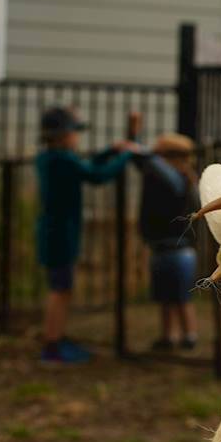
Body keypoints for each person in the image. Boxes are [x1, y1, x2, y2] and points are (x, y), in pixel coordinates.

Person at [34, 105, 137, 366]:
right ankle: (52, 346)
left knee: (62, 288)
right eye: (74, 131)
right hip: (60, 236)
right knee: (60, 290)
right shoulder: (63, 159)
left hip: (54, 233)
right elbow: (97, 175)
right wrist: (125, 156)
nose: (77, 137)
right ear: (61, 134)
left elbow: (86, 166)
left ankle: (55, 339)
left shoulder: (51, 158)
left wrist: (112, 150)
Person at [131, 127, 201, 352]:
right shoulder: (163, 176)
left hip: (179, 249)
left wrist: (140, 149)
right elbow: (143, 163)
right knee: (165, 296)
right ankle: (169, 335)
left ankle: (189, 334)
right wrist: (134, 135)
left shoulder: (178, 178)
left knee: (181, 296)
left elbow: (149, 163)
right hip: (162, 247)